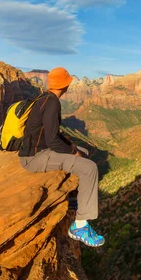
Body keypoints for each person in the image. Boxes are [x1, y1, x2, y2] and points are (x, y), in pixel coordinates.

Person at [18, 67, 105, 247]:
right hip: (35, 157)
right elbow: (52, 140)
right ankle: (80, 226)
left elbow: (52, 134)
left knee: (85, 153)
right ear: (65, 85)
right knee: (89, 168)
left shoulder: (44, 98)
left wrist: (75, 147)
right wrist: (73, 152)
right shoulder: (52, 103)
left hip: (37, 150)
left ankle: (74, 198)